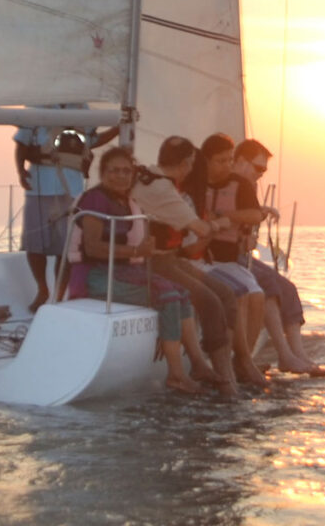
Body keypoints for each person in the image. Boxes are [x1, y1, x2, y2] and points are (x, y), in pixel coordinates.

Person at [71, 146, 208, 393]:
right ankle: (176, 374)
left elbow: (139, 246)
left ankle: (197, 363)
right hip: (96, 276)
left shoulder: (128, 202)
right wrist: (136, 252)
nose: (121, 176)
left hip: (123, 272)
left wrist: (145, 249)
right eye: (114, 171)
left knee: (182, 292)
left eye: (126, 171)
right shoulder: (95, 200)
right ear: (103, 173)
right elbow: (92, 248)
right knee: (167, 296)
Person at [130, 136, 249, 390]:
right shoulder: (162, 189)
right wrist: (224, 223)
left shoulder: (147, 175)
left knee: (226, 294)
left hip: (169, 259)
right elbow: (200, 229)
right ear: (186, 163)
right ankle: (225, 382)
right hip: (154, 264)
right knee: (210, 300)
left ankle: (222, 366)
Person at [230, 137, 325, 376]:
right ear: (240, 161)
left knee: (289, 288)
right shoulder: (229, 186)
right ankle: (284, 355)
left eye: (264, 170)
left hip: (242, 254)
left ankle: (298, 353)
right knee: (270, 284)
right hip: (230, 257)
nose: (261, 174)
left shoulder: (247, 187)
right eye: (258, 168)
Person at [186, 135, 276, 384]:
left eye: (229, 160)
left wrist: (224, 218)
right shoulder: (194, 185)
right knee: (240, 295)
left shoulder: (240, 185)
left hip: (227, 260)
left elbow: (255, 214)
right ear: (206, 161)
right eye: (220, 161)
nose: (226, 166)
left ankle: (242, 357)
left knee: (257, 294)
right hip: (202, 259)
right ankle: (241, 360)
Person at [16, 115, 115, 311]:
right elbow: (21, 143)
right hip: (39, 186)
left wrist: (119, 127)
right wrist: (20, 171)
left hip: (71, 187)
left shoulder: (82, 110)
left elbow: (93, 140)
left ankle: (59, 295)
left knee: (66, 247)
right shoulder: (38, 109)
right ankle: (42, 289)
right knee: (34, 244)